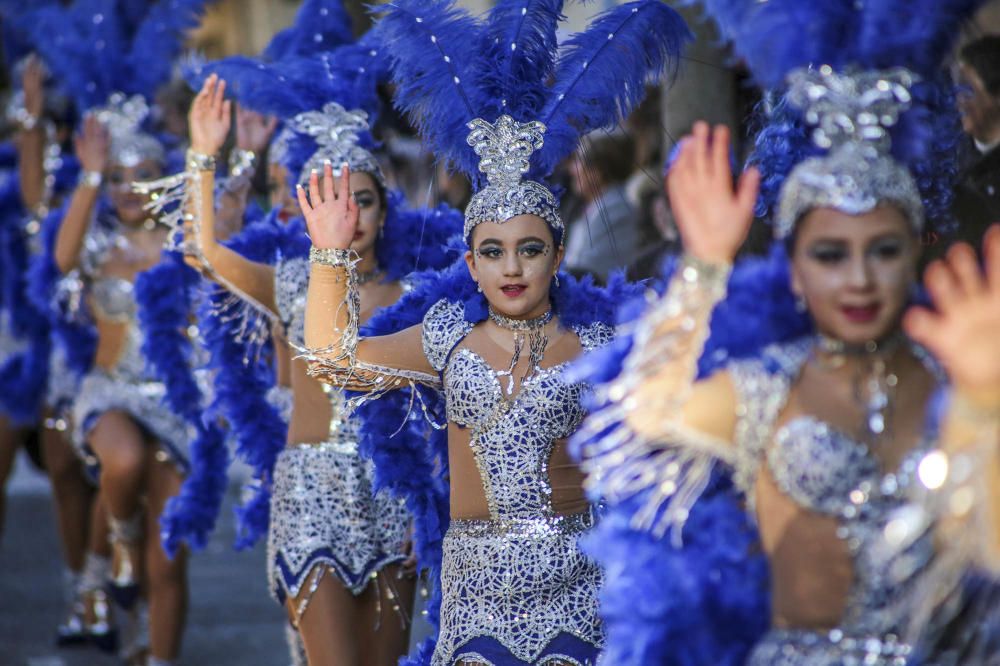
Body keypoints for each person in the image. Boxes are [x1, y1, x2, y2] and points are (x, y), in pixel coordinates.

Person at [573, 1, 999, 664]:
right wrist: (703, 268)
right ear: (793, 270)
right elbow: (634, 427)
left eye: (883, 250)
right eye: (830, 255)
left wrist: (981, 399)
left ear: (915, 252)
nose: (859, 278)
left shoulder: (953, 378)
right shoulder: (768, 386)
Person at [298, 2, 690, 663]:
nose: (512, 267)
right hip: (476, 601)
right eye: (493, 251)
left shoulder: (597, 347)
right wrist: (328, 254)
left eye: (530, 249)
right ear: (470, 263)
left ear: (559, 255)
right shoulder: (447, 336)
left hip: (580, 594)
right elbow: (335, 359)